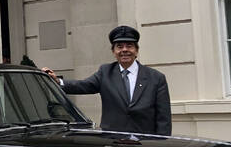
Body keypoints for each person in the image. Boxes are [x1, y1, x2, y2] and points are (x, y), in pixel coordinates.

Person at [42, 25, 172, 135]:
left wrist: (162, 145)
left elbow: (164, 119)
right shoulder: (105, 72)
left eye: (129, 46)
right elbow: (83, 85)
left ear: (136, 50)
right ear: (113, 51)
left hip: (146, 143)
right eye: (119, 46)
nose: (124, 50)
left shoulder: (156, 78)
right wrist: (58, 81)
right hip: (113, 141)